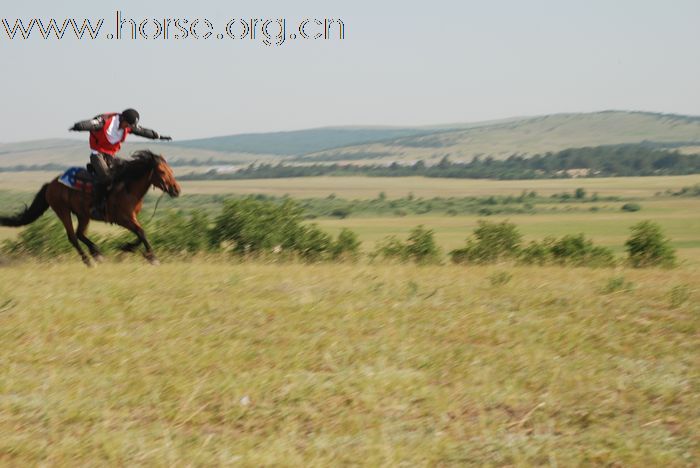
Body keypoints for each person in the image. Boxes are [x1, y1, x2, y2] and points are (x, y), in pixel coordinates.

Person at [69, 109, 172, 219]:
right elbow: (90, 124)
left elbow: (143, 131)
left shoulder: (128, 126)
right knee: (107, 178)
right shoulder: (106, 121)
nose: (128, 127)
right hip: (97, 154)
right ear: (122, 119)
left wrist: (159, 136)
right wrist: (78, 126)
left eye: (130, 125)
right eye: (127, 124)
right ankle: (96, 206)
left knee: (126, 173)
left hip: (111, 155)